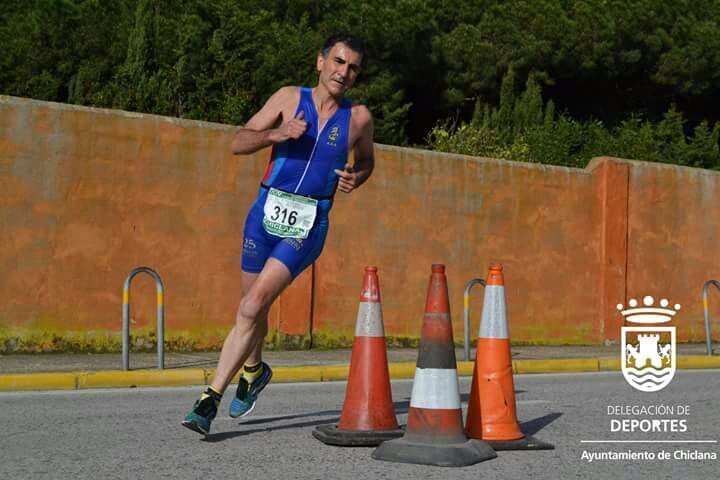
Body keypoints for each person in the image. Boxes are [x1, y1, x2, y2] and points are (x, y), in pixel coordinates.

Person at [182, 33, 374, 435]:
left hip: (307, 222)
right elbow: (238, 142)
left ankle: (208, 400)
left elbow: (367, 161)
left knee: (252, 306)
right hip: (264, 212)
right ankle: (254, 370)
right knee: (250, 307)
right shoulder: (289, 98)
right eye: (338, 62)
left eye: (353, 67)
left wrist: (356, 177)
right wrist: (277, 134)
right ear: (320, 62)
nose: (344, 72)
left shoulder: (358, 118)